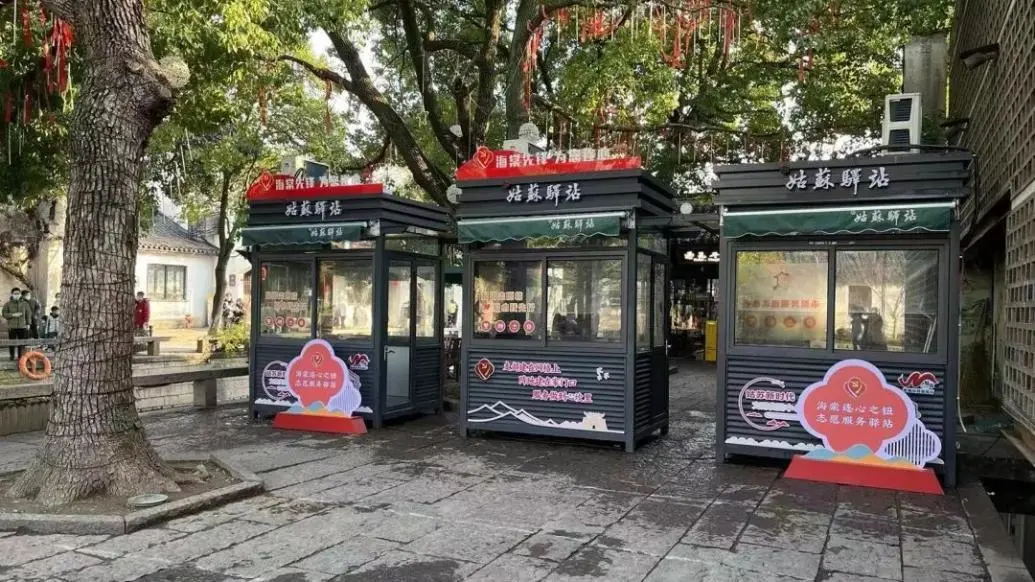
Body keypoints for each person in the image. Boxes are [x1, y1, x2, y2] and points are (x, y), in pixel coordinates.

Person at [2, 288, 32, 361]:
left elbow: (28, 314)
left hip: (22, 326)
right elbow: (4, 314)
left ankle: (20, 357)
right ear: (12, 294)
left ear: (20, 294)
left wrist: (28, 324)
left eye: (18, 293)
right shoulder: (7, 304)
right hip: (12, 326)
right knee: (11, 342)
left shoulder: (25, 304)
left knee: (21, 343)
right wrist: (13, 315)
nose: (17, 295)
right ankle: (12, 356)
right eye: (15, 293)